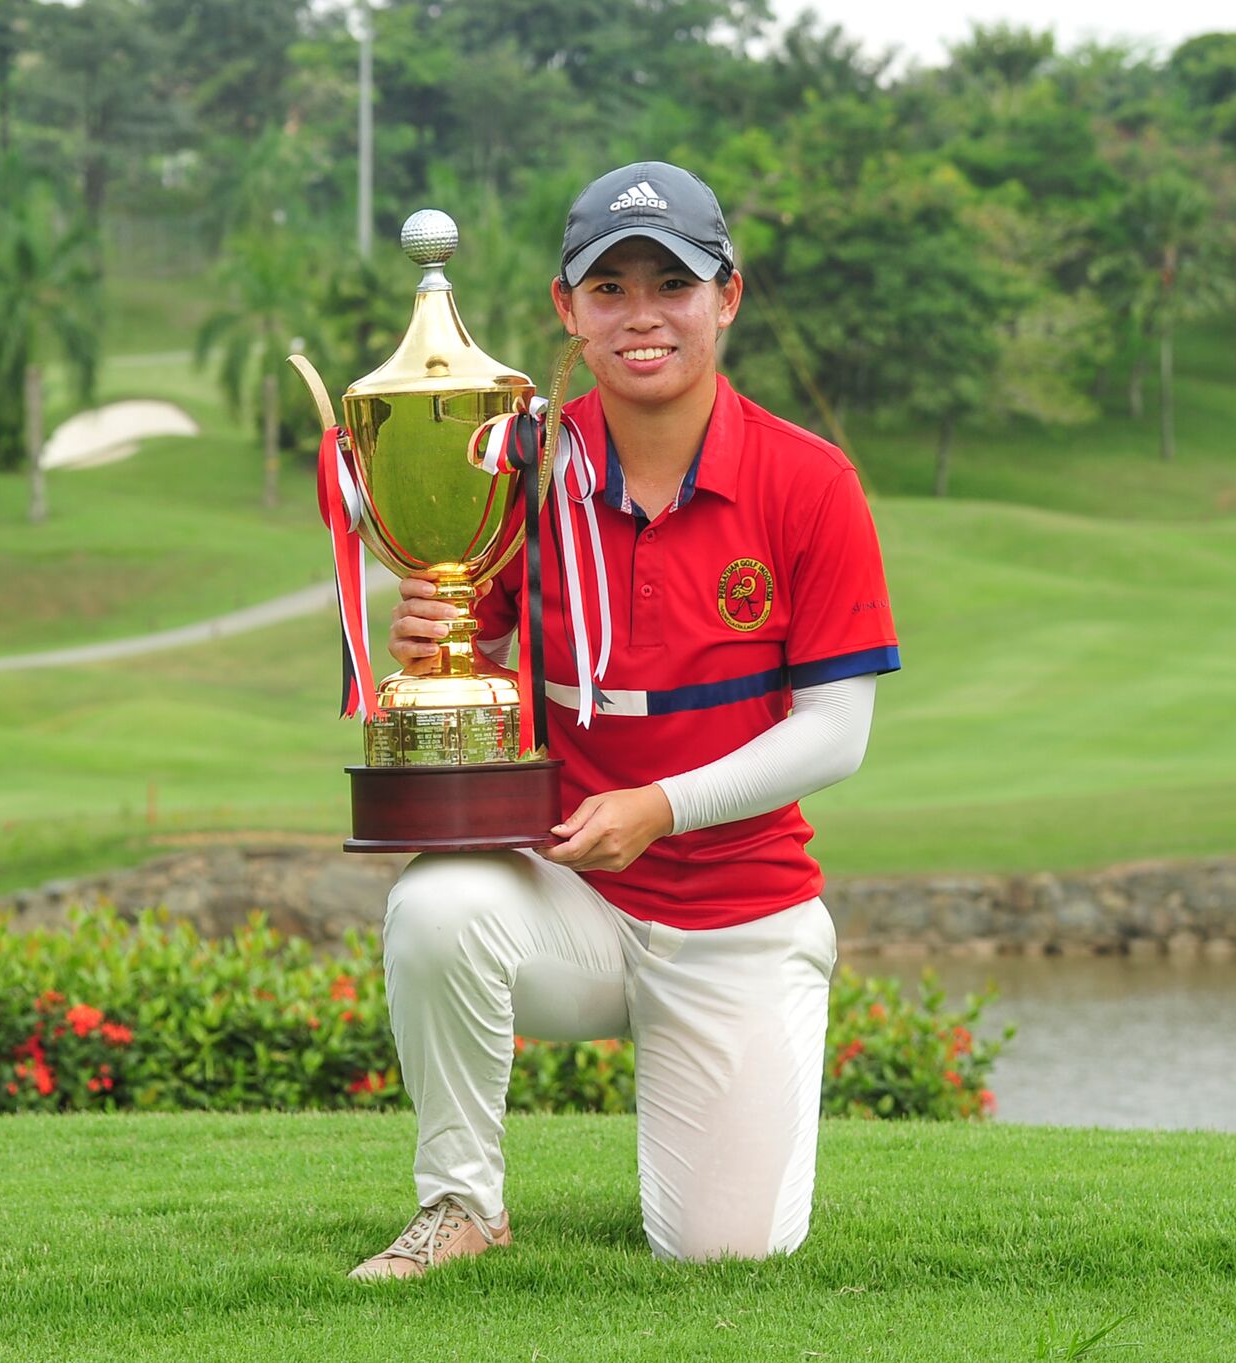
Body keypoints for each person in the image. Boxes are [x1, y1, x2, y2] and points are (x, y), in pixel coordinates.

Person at [348, 161, 900, 1280]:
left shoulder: (809, 481)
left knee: (723, 1251)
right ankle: (460, 1205)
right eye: (608, 289)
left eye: (672, 284)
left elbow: (836, 730)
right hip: (577, 904)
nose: (641, 316)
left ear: (727, 297)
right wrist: (423, 629)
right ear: (566, 308)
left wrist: (662, 805)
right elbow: (475, 648)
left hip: (740, 917)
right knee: (439, 905)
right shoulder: (519, 463)